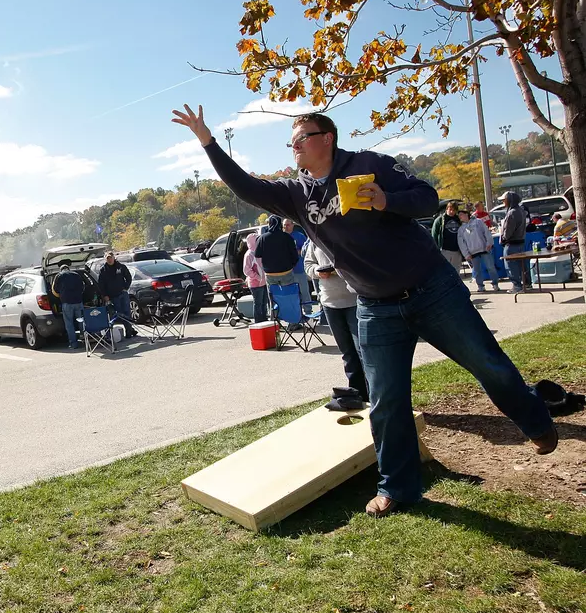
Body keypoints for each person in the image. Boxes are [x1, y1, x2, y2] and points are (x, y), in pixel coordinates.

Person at [171, 104, 558, 517]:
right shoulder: (296, 194)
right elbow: (244, 186)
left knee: (487, 363)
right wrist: (208, 142)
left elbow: (427, 199)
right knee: (385, 400)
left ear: (327, 138)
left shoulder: (369, 165)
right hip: (373, 305)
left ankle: (535, 421)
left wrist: (386, 199)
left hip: (431, 288)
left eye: (301, 138)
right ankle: (399, 488)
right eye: (292, 142)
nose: (295, 147)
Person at [304, 242, 368, 401]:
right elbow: (308, 264)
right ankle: (357, 396)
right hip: (330, 303)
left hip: (353, 300)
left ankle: (376, 395)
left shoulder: (342, 233)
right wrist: (318, 272)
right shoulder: (314, 237)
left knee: (363, 351)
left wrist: (340, 267)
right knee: (347, 353)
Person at [457, 209, 501, 293]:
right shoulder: (461, 229)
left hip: (484, 249)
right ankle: (480, 286)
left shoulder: (478, 222)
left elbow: (486, 232)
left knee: (490, 267)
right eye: (459, 216)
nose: (460, 217)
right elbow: (461, 243)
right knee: (477, 270)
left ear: (467, 214)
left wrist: (489, 243)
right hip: (472, 252)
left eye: (462, 214)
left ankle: (495, 284)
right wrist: (466, 254)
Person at [97, 252, 136, 337]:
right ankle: (122, 331)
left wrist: (126, 287)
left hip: (123, 294)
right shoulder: (103, 270)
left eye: (111, 257)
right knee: (119, 314)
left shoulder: (121, 267)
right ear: (105, 259)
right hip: (113, 296)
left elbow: (128, 277)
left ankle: (129, 331)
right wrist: (105, 295)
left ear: (114, 257)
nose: (109, 259)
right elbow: (101, 285)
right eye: (107, 258)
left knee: (127, 312)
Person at [255, 215, 300, 289]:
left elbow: (257, 255)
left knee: (273, 297)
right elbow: (295, 255)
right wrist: (292, 265)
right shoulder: (287, 237)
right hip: (286, 272)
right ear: (280, 224)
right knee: (289, 294)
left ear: (269, 224)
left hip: (270, 273)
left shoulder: (262, 238)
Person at [500, 191, 532, 293]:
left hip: (511, 244)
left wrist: (503, 238)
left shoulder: (512, 213)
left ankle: (517, 286)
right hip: (521, 243)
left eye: (504, 200)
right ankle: (527, 284)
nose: (503, 202)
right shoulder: (521, 210)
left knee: (511, 267)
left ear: (509, 200)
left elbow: (508, 231)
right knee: (522, 265)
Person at [52, 259, 85, 349]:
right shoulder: (76, 275)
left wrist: (61, 295)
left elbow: (55, 289)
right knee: (82, 321)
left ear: (61, 269)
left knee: (69, 323)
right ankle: (85, 339)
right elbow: (83, 287)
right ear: (68, 268)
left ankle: (73, 344)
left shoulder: (58, 276)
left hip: (67, 303)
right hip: (78, 302)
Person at [283, 219, 313, 313]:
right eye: (284, 225)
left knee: (304, 292)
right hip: (287, 271)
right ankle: (296, 313)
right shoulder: (281, 237)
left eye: (288, 225)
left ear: (292, 225)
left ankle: (308, 311)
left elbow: (307, 250)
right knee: (292, 294)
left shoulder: (299, 236)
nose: (286, 227)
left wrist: (295, 252)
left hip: (299, 269)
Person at [242, 232, 268, 323]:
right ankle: (258, 322)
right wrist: (257, 277)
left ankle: (265, 320)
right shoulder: (249, 254)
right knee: (258, 303)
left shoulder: (260, 251)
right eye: (257, 240)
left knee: (264, 303)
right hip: (255, 284)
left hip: (264, 282)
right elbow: (246, 270)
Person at [431, 202, 463, 273]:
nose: (452, 212)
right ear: (447, 209)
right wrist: (436, 250)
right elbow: (434, 235)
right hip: (444, 250)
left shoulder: (458, 220)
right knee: (445, 272)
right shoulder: (440, 220)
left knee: (456, 272)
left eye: (454, 210)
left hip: (457, 250)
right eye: (450, 209)